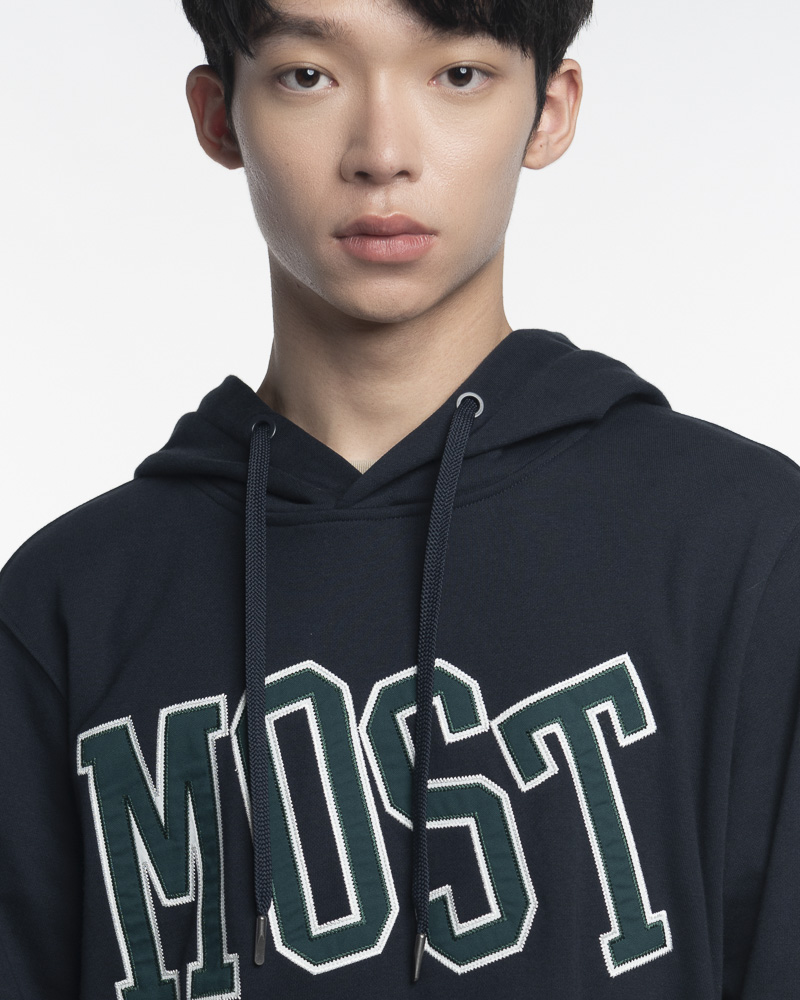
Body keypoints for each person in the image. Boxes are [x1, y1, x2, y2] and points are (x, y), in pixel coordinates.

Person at [1, 0, 797, 996]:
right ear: (218, 116)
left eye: (457, 75)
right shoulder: (66, 603)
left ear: (550, 109)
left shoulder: (744, 548)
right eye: (307, 75)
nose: (382, 154)